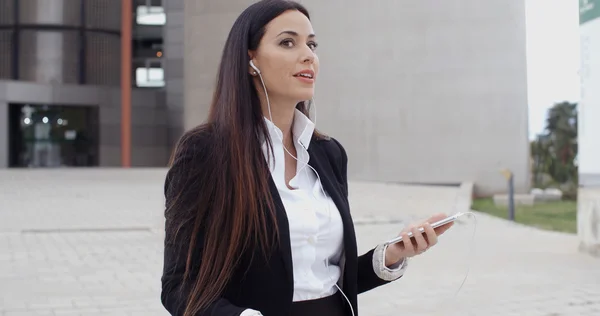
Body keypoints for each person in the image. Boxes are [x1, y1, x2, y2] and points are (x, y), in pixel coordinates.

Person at [160, 1, 454, 315]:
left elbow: (325, 278)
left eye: (311, 44)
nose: (308, 55)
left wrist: (392, 253)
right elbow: (179, 286)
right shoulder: (205, 152)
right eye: (288, 42)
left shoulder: (329, 154)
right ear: (250, 60)